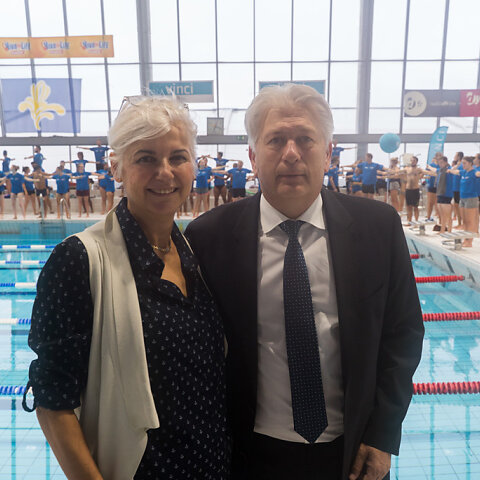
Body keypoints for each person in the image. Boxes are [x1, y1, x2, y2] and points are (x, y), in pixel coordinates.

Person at [185, 84, 424, 480]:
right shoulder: (209, 237)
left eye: (305, 139)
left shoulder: (378, 228)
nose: (291, 153)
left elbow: (403, 334)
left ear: (328, 153)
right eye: (276, 140)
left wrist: (383, 434)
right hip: (249, 453)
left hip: (353, 451)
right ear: (253, 156)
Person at [23, 95, 230, 480]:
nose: (165, 173)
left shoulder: (194, 254)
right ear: (116, 167)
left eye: (178, 157)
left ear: (194, 165)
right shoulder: (79, 259)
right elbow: (52, 400)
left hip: (213, 465)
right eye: (146, 158)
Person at [449, 156, 480, 247]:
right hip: (462, 198)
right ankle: (466, 238)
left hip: (471, 198)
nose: (463, 165)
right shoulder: (463, 172)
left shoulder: (474, 172)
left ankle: (469, 241)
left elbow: (478, 174)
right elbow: (454, 171)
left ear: (470, 163)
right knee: (465, 221)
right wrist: (451, 169)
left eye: (464, 163)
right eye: (462, 163)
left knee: (470, 221)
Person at [427, 156, 453, 234]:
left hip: (447, 194)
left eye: (441, 163)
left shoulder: (449, 169)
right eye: (439, 163)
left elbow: (454, 170)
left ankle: (449, 230)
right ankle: (443, 229)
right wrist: (429, 167)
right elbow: (435, 170)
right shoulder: (441, 170)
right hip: (440, 193)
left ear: (445, 162)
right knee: (441, 214)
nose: (440, 164)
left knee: (447, 214)